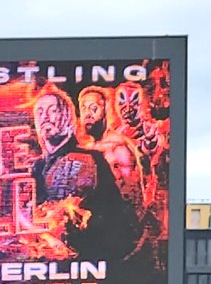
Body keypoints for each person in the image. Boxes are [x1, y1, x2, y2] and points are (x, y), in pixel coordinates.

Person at [30, 87, 140, 263]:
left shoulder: (90, 159)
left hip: (88, 263)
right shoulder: (36, 167)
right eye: (40, 112)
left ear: (67, 117)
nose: (45, 117)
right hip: (47, 265)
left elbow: (116, 218)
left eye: (53, 110)